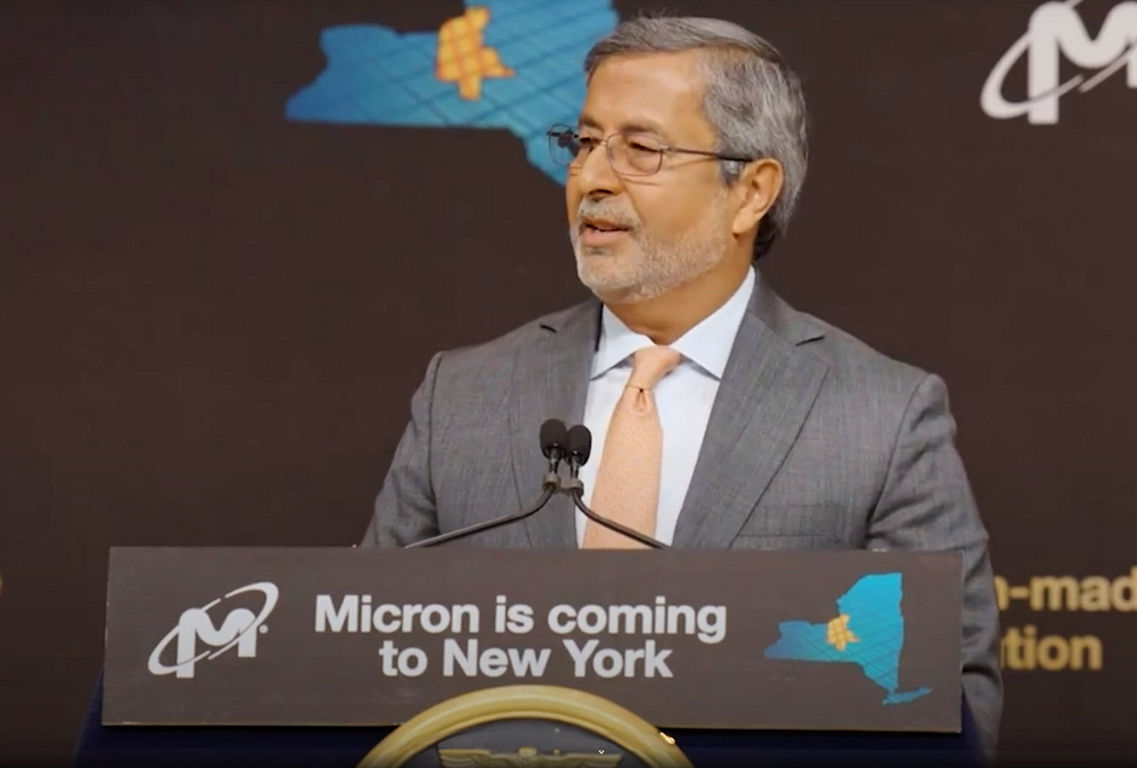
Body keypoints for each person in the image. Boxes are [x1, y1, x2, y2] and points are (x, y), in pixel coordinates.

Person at [362, 15, 1001, 757]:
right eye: (584, 143)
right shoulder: (463, 396)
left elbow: (954, 702)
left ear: (751, 191)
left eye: (640, 149)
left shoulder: (879, 416)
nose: (593, 178)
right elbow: (355, 665)